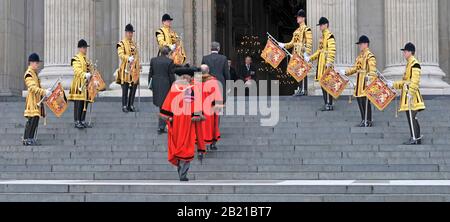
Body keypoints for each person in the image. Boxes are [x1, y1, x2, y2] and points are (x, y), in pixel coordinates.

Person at [160, 67, 206, 181]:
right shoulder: (188, 88)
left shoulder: (178, 88)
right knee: (184, 147)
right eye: (186, 76)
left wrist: (169, 119)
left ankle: (182, 172)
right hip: (183, 122)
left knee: (183, 147)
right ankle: (182, 172)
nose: (187, 78)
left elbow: (167, 105)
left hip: (182, 122)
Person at [387, 42, 426, 145]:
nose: (403, 53)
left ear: (410, 52)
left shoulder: (414, 63)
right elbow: (406, 82)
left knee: (412, 117)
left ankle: (416, 138)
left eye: (405, 51)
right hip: (408, 94)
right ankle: (414, 137)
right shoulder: (409, 64)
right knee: (410, 117)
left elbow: (415, 81)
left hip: (412, 96)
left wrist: (410, 93)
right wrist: (394, 84)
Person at [341, 35, 377, 127]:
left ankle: (368, 120)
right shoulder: (360, 57)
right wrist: (345, 72)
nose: (359, 46)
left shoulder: (370, 56)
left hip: (365, 82)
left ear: (366, 44)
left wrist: (369, 80)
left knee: (365, 101)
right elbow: (355, 68)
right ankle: (363, 119)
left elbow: (372, 70)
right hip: (359, 82)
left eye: (361, 44)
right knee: (360, 100)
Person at [279, 9, 313, 97]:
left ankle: (304, 89)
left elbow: (309, 43)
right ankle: (299, 88)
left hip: (302, 53)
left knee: (303, 71)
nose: (297, 18)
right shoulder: (296, 31)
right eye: (297, 17)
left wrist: (307, 53)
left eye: (299, 17)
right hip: (296, 53)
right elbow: (291, 43)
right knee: (297, 71)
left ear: (303, 18)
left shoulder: (307, 30)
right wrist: (284, 45)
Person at [305, 17, 336, 111]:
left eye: (322, 25)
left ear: (326, 25)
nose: (320, 27)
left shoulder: (330, 35)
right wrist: (310, 58)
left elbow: (332, 50)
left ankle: (329, 103)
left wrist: (329, 62)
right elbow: (319, 51)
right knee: (323, 83)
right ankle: (326, 102)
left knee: (328, 83)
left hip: (326, 62)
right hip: (321, 62)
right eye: (320, 25)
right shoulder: (322, 37)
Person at [23, 53, 51, 146]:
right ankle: (26, 138)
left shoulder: (35, 74)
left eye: (38, 63)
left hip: (37, 100)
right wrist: (44, 92)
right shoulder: (28, 74)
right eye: (36, 62)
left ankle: (31, 138)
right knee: (31, 119)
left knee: (35, 119)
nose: (37, 64)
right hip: (32, 101)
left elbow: (38, 87)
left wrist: (45, 94)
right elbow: (32, 87)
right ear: (31, 63)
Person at [149, 46, 176, 135]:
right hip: (166, 85)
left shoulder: (153, 60)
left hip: (156, 85)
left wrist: (150, 85)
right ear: (167, 53)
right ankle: (162, 126)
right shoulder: (169, 61)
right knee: (165, 106)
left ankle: (162, 125)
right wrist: (174, 85)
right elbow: (171, 75)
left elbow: (150, 73)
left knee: (162, 106)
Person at [116, 24, 141, 113]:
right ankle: (124, 105)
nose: (130, 34)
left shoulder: (134, 44)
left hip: (134, 69)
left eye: (131, 33)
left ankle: (131, 104)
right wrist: (128, 58)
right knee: (125, 87)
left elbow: (137, 55)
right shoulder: (121, 43)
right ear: (126, 33)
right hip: (126, 69)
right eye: (129, 32)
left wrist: (138, 64)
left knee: (134, 87)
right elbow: (120, 54)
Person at [69, 39, 93, 129]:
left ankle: (82, 120)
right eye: (84, 48)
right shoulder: (76, 58)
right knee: (78, 102)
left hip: (87, 84)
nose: (85, 49)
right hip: (79, 84)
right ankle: (77, 120)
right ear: (80, 48)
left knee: (85, 102)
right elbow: (77, 70)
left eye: (86, 47)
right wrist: (84, 74)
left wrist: (92, 72)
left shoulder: (87, 59)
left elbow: (90, 69)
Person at [199, 64, 223, 151]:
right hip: (210, 107)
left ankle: (201, 145)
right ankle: (212, 144)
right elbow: (216, 94)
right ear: (208, 70)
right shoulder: (213, 80)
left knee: (200, 127)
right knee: (212, 126)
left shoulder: (195, 80)